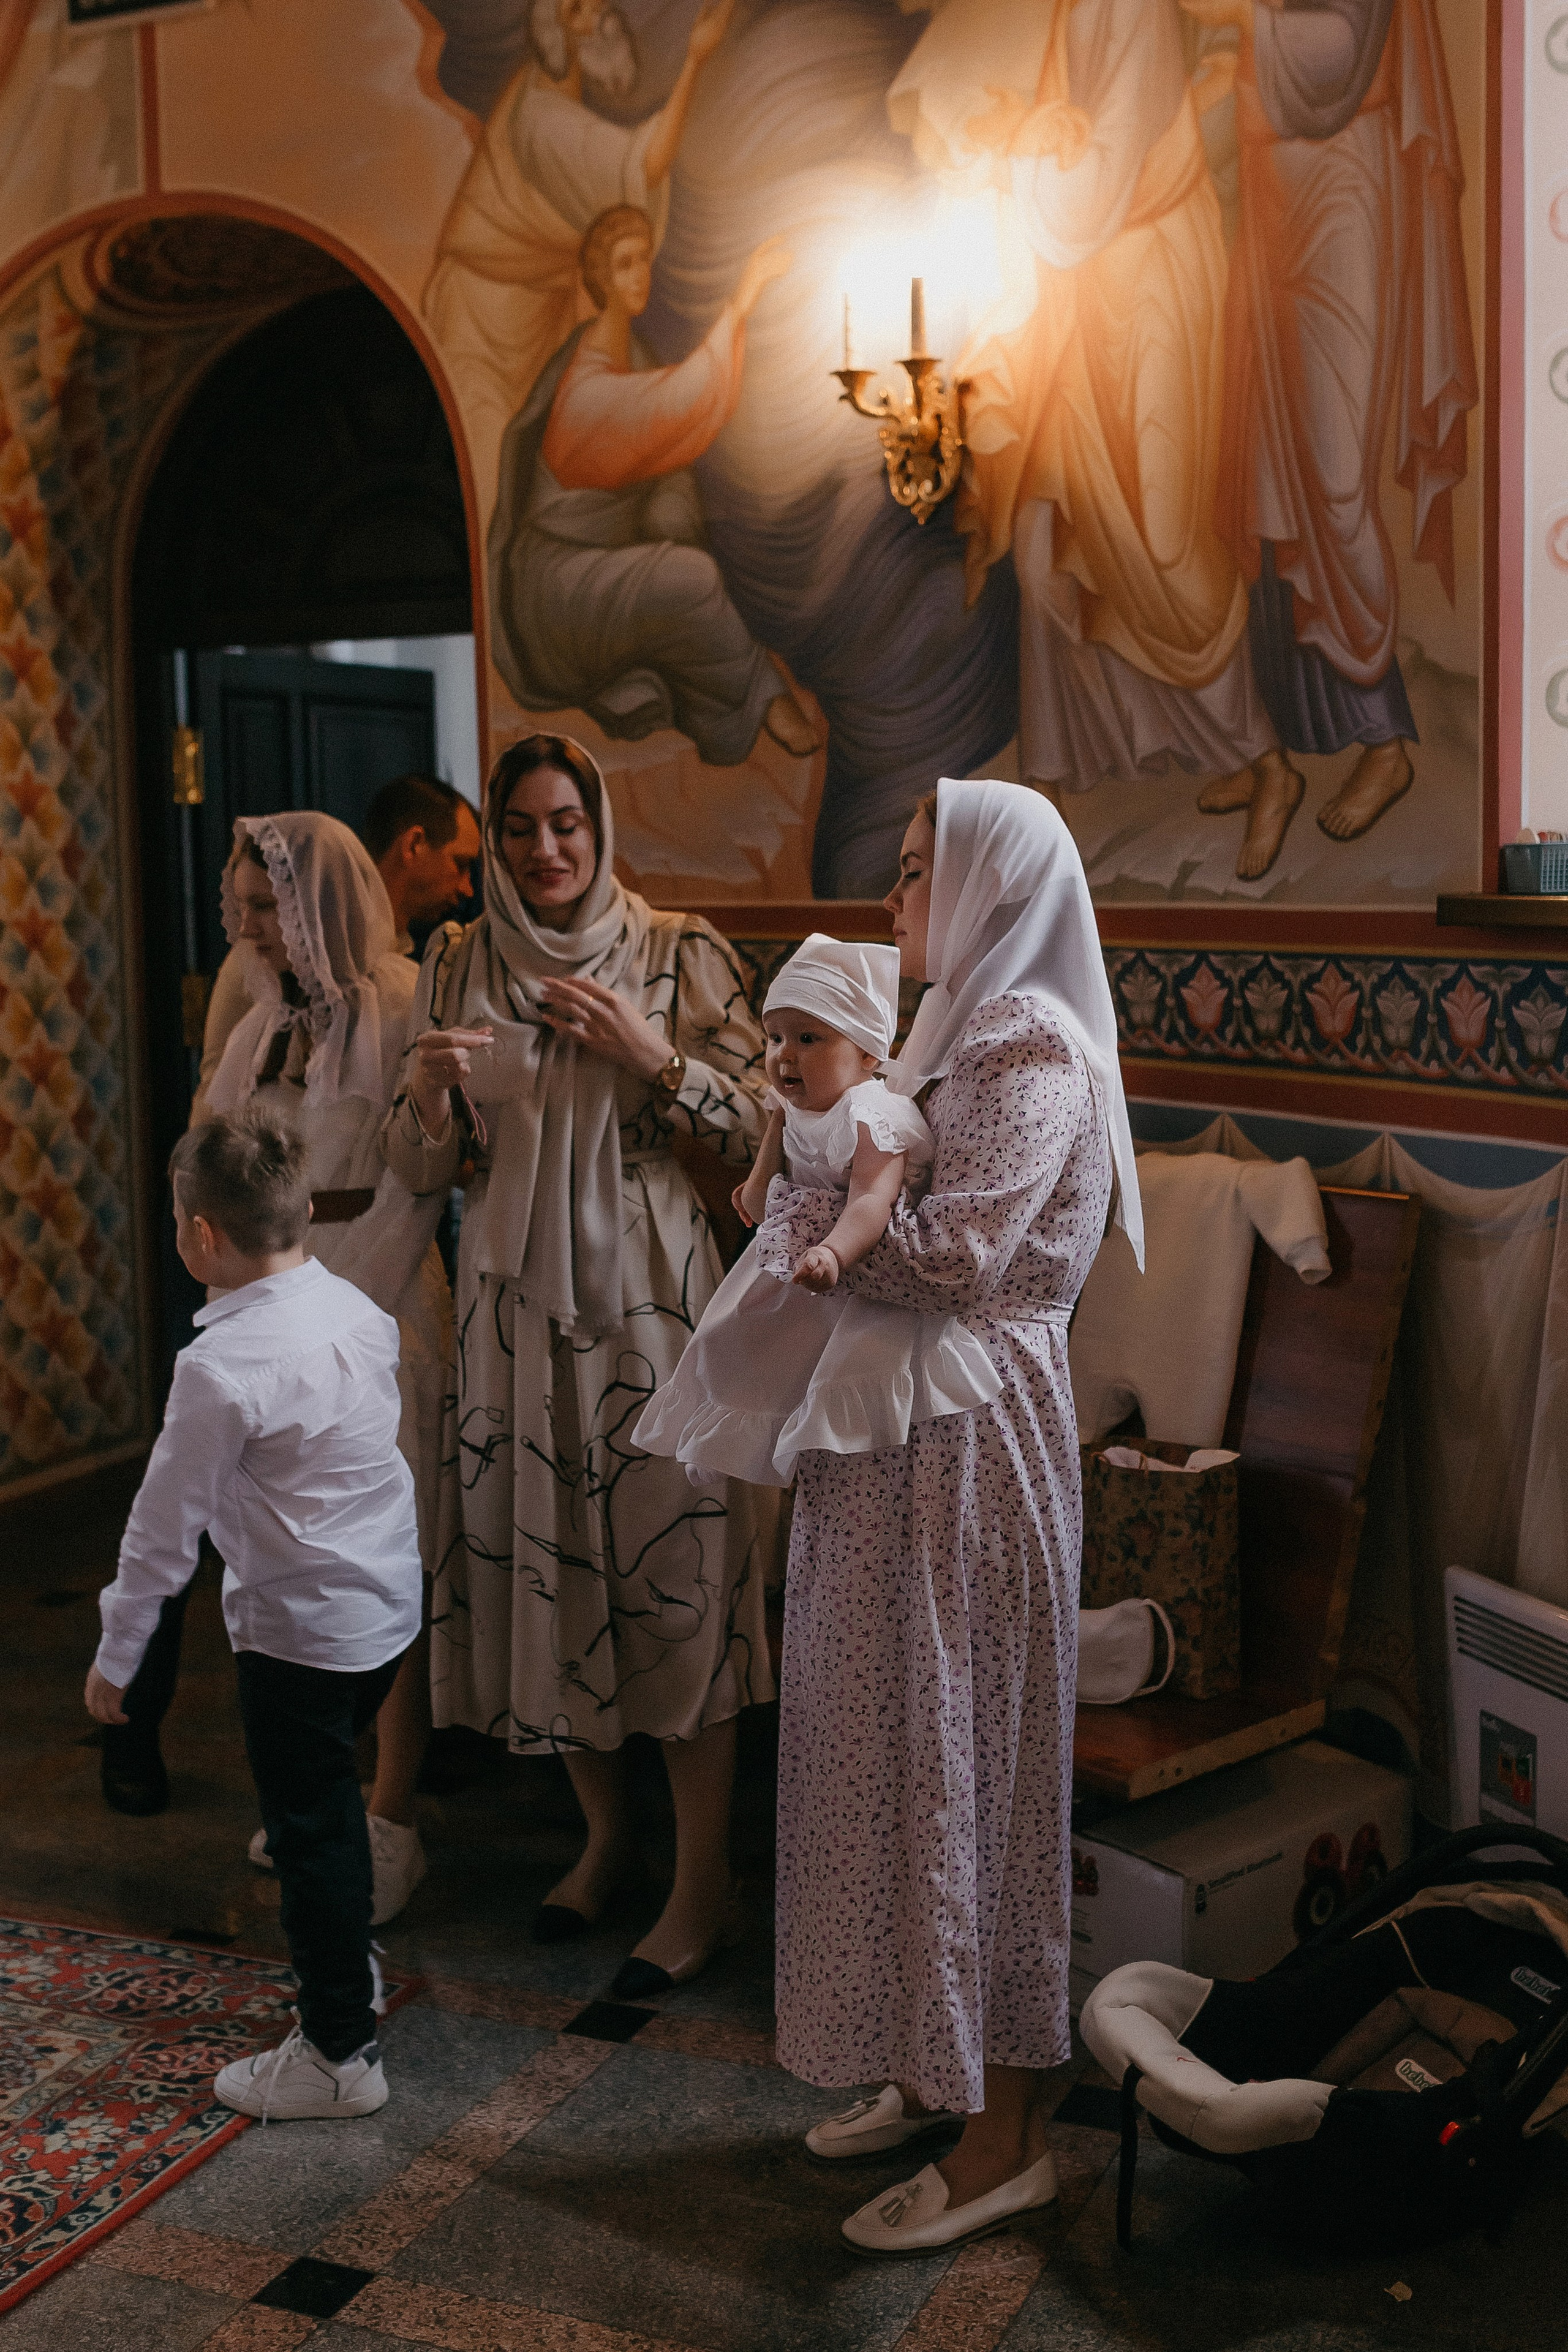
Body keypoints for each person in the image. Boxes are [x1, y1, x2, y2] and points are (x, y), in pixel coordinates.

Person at [761, 778, 1143, 2254]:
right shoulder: (946, 1029)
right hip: (897, 1444)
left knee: (970, 1767)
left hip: (973, 1447)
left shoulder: (1030, 1046)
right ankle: (935, 2066)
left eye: (919, 871)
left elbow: (952, 1255)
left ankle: (1005, 2142)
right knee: (886, 1750)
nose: (893, 897)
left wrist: (799, 1220)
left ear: (994, 887)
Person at [380, 731, 780, 1996]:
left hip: (649, 1294)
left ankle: (702, 1885)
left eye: (566, 824)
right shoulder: (458, 959)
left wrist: (650, 1055)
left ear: (600, 830)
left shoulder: (676, 950)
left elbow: (769, 1130)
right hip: (510, 1306)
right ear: (496, 842)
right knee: (546, 1568)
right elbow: (420, 1166)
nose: (544, 849)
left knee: (677, 1573)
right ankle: (606, 1841)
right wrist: (428, 1101)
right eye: (519, 828)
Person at [103, 815, 451, 1932]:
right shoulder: (257, 1022)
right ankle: (322, 1788)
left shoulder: (403, 999)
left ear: (322, 903)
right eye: (242, 905)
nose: (248, 927)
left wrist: (332, 1306)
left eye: (267, 906)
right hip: (272, 1304)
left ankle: (391, 1811)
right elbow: (214, 1156)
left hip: (373, 1306)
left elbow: (422, 1177)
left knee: (381, 1555)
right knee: (285, 1555)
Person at [86, 1109, 421, 2122]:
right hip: (383, 1615)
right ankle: (348, 1964)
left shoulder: (219, 1369)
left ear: (199, 1233)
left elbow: (162, 1532)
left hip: (299, 1635)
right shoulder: (357, 1309)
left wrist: (119, 1654)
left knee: (307, 1832)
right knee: (331, 1806)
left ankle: (339, 2055)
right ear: (304, 1209)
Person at [902, 1, 1281, 840]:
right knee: (1043, 539)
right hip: (1074, 303)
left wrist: (1021, 142)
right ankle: (1048, 786)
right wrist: (1021, 135)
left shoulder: (1132, 10)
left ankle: (1265, 760)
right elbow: (1029, 147)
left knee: (1163, 543)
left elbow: (1090, 189)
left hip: (1151, 281)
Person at [1186, 0, 1477, 876]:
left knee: (1334, 476)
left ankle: (1384, 743)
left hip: (1342, 189)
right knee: (1261, 480)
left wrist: (1242, 18)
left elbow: (1337, 51)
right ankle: (1272, 747)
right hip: (1268, 200)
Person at [634, 933, 1000, 1487]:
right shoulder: (789, 1102)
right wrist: (756, 1191)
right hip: (794, 1251)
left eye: (809, 1038)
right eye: (775, 1037)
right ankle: (718, 1437)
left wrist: (833, 1253)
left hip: (857, 1264)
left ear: (868, 1055)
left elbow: (872, 1199)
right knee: (726, 1335)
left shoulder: (872, 1115)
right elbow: (771, 1161)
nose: (785, 1055)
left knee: (833, 1369)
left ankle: (784, 1443)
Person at [488, 202, 816, 763]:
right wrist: (740, 302)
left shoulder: (632, 359)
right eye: (624, 264)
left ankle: (745, 692)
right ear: (602, 280)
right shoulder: (586, 390)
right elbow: (682, 402)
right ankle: (766, 699)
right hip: (557, 588)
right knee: (692, 578)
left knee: (684, 552)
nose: (639, 274)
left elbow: (669, 453)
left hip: (594, 570)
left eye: (644, 260)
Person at [424, 0, 737, 516]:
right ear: (555, 35)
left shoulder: (551, 98)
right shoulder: (542, 121)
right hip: (483, 330)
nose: (600, 15)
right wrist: (696, 60)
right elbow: (646, 165)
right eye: (577, 9)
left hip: (541, 313)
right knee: (495, 499)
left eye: (596, 2)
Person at [194, 775, 481, 1119]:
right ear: (414, 844)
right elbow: (214, 1099)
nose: (468, 889)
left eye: (264, 906)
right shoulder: (264, 970)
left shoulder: (399, 981)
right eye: (461, 863)